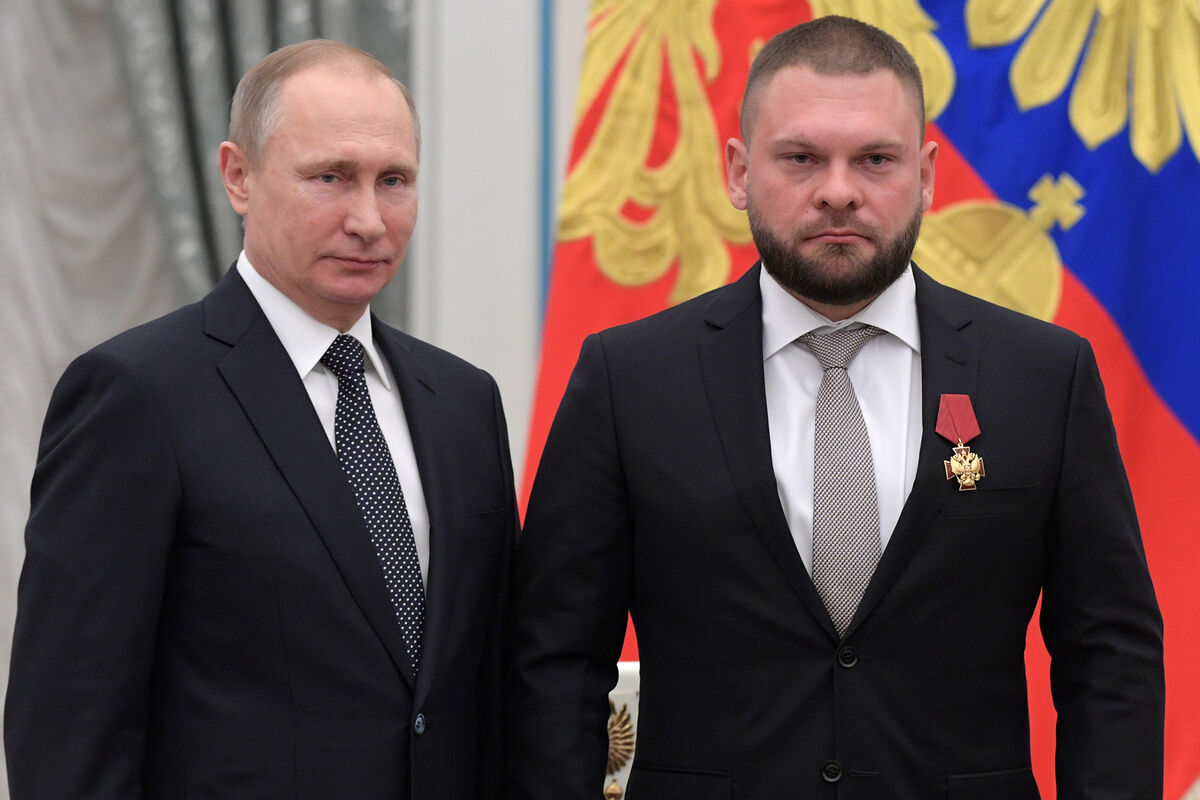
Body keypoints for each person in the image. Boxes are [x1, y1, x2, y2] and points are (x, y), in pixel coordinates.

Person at [506, 16, 1164, 799]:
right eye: (801, 159)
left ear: (925, 176)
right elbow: (555, 660)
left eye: (876, 160)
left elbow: (1111, 655)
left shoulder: (1042, 377)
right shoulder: (629, 380)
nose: (839, 191)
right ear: (738, 173)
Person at [6, 40, 516, 799]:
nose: (369, 220)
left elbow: (488, 689)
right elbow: (67, 724)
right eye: (330, 177)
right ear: (238, 177)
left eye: (394, 180)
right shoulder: (137, 394)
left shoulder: (464, 402)